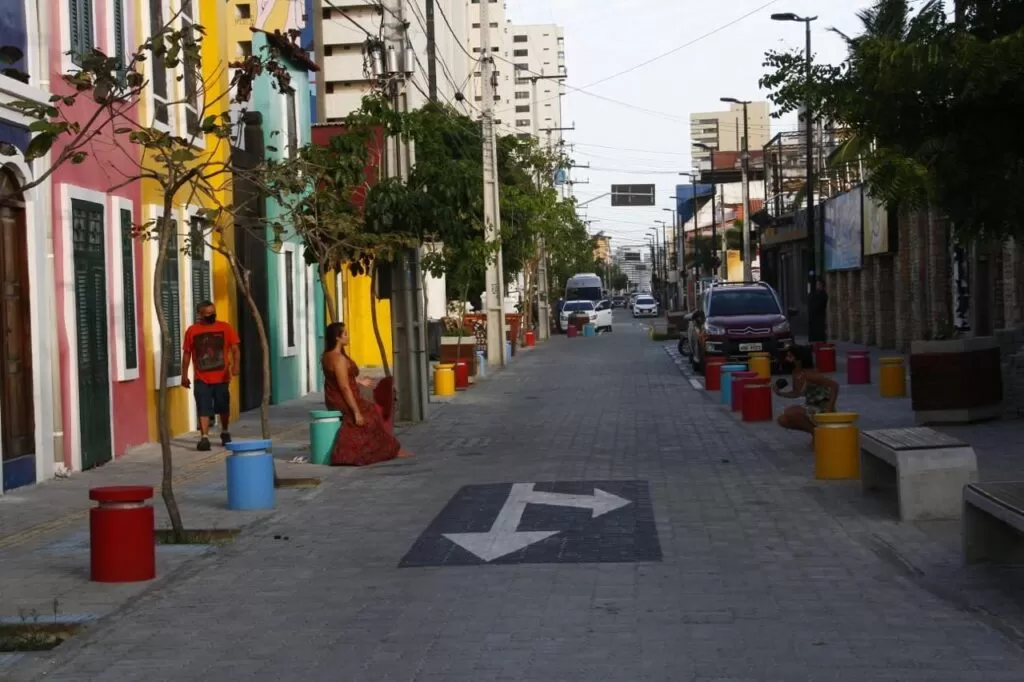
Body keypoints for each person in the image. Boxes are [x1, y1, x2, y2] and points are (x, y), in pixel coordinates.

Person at [321, 322, 413, 465]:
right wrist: (356, 412)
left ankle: (389, 449)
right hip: (342, 397)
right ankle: (382, 451)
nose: (348, 336)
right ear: (337, 338)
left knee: (370, 411)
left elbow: (339, 377)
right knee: (368, 414)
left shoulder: (327, 355)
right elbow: (344, 387)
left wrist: (357, 380)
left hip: (333, 396)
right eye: (345, 334)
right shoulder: (338, 358)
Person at [181, 301, 240, 451]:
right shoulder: (192, 331)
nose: (210, 315)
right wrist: (184, 374)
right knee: (203, 407)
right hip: (201, 378)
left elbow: (235, 348)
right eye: (207, 313)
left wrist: (236, 365)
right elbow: (187, 353)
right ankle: (204, 438)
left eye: (212, 312)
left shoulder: (225, 328)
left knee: (223, 407)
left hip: (221, 378)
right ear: (199, 315)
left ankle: (225, 431)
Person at [774, 344, 839, 438]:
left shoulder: (809, 374)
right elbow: (796, 393)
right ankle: (816, 433)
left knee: (791, 411)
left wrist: (830, 406)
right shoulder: (796, 373)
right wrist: (780, 393)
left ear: (799, 358)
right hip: (811, 406)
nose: (788, 359)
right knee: (782, 419)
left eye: (790, 356)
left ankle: (819, 435)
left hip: (822, 407)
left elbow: (834, 386)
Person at [807, 277, 829, 343]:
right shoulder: (814, 294)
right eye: (817, 284)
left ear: (822, 285)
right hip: (812, 320)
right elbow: (810, 302)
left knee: (819, 339)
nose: (817, 286)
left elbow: (818, 306)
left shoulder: (823, 295)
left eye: (819, 284)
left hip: (819, 321)